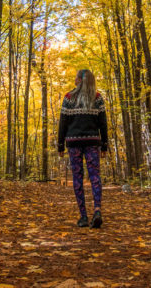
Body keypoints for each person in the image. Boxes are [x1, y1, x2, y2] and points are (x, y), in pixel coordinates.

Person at [57, 68, 108, 228]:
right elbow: (103, 124)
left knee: (77, 178)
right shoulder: (97, 98)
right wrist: (104, 144)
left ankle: (84, 217)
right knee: (95, 177)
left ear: (80, 80)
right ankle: (97, 210)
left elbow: (63, 123)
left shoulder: (69, 97)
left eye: (76, 78)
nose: (74, 81)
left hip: (74, 143)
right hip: (93, 142)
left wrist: (60, 145)